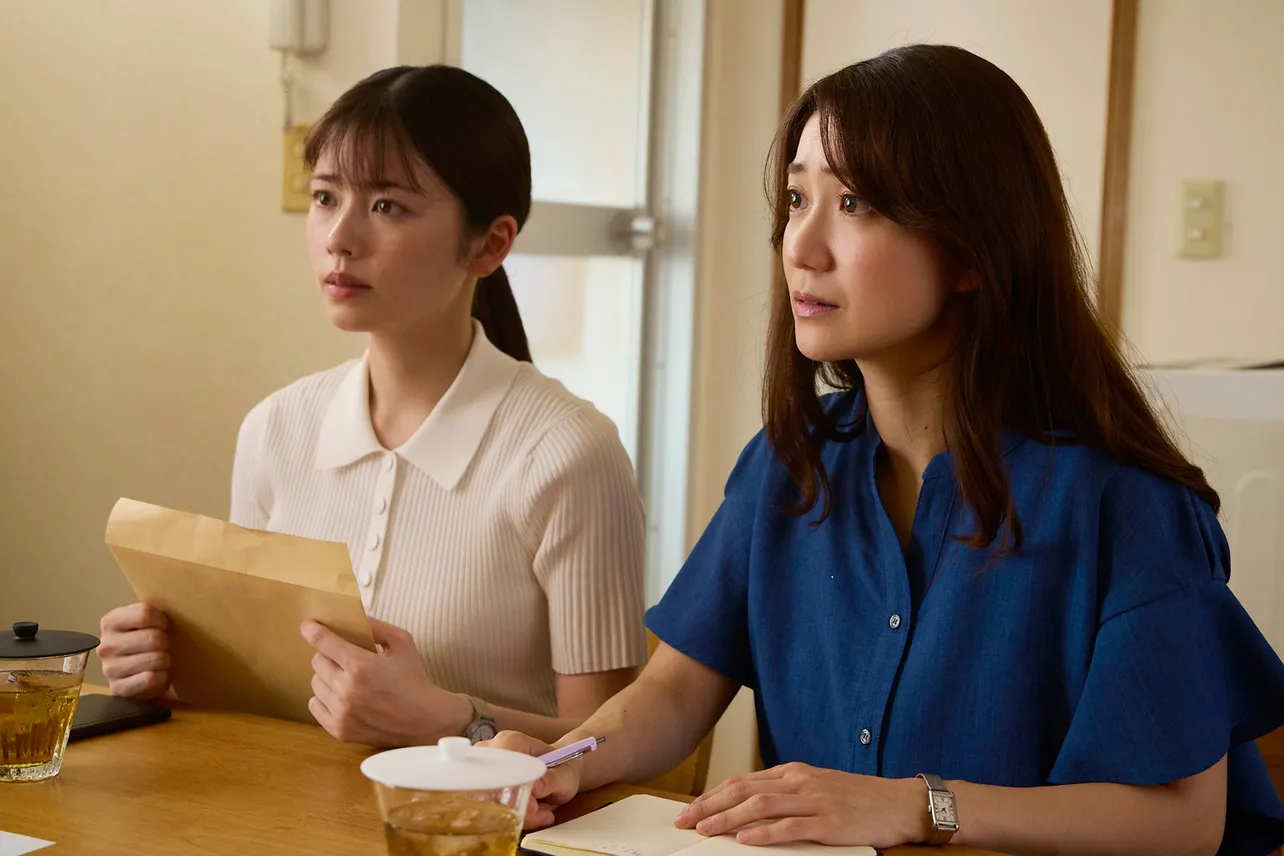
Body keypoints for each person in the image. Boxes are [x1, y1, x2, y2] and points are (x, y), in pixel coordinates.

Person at [488, 45, 1284, 856]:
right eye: (798, 198)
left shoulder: (1127, 504)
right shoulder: (786, 464)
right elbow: (671, 694)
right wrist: (563, 763)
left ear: (973, 249)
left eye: (856, 201)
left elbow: (1183, 820)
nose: (801, 245)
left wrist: (919, 807)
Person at [96, 65, 648, 747]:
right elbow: (259, 703)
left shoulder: (569, 455)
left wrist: (456, 721)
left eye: (388, 206)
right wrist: (170, 670)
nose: (339, 237)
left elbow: (612, 750)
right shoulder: (276, 430)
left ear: (490, 243)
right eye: (326, 197)